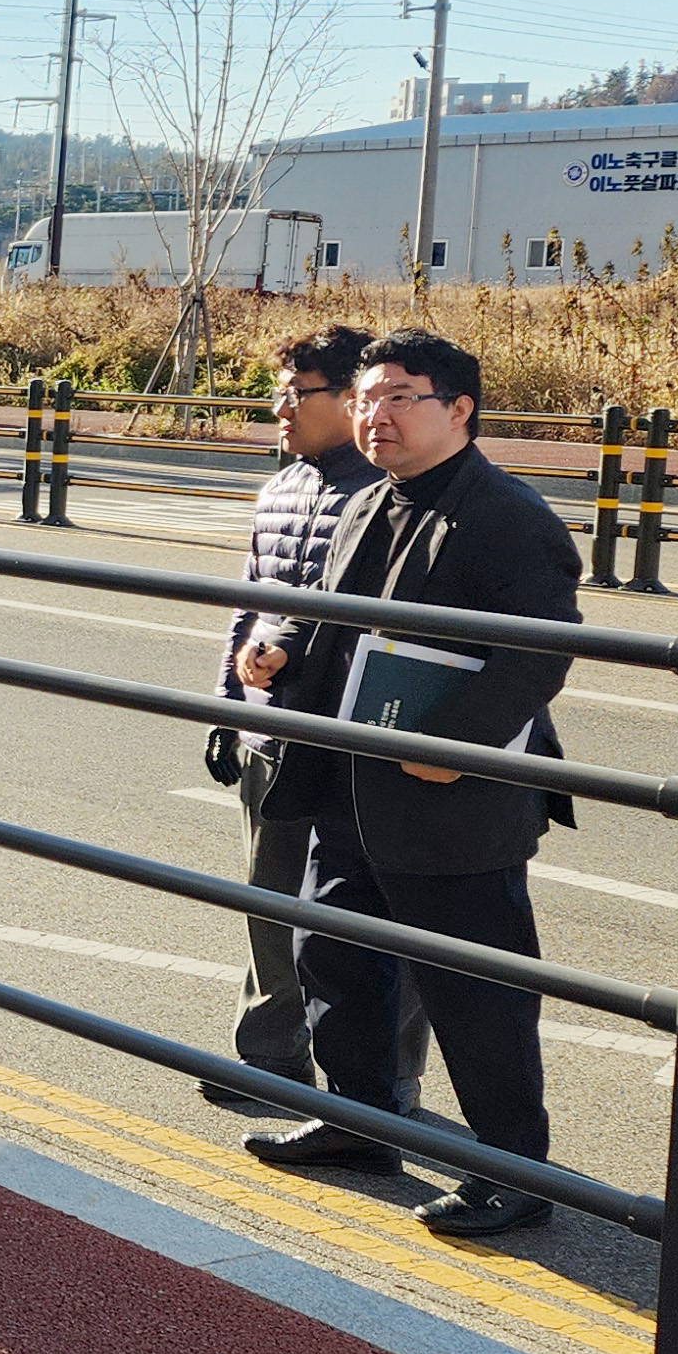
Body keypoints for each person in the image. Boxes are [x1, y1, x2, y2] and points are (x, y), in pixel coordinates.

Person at [242, 326, 580, 1239]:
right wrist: (282, 650)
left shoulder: (510, 517)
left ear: (459, 408)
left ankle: (515, 1171)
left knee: (476, 989)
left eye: (398, 397)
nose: (373, 415)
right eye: (363, 398)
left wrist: (463, 746)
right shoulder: (371, 502)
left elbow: (538, 657)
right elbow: (336, 625)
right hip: (351, 778)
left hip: (452, 796)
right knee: (334, 956)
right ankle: (360, 1123)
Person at [204, 325, 425, 1107]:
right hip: (275, 726)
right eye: (280, 394)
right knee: (267, 899)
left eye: (300, 394)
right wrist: (229, 708)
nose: (282, 409)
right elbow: (252, 603)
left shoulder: (387, 491)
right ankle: (268, 1054)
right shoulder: (283, 486)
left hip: (351, 735)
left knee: (368, 917)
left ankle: (386, 1084)